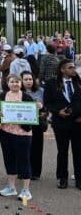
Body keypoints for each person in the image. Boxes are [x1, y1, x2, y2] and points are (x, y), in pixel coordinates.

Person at [45, 57, 81, 189]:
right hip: (60, 123)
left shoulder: (78, 82)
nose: (73, 69)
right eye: (70, 67)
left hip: (78, 122)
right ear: (62, 70)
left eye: (74, 67)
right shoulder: (51, 83)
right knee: (62, 151)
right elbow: (47, 103)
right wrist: (57, 111)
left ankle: (79, 179)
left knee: (78, 151)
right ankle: (62, 178)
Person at [21, 71, 46, 180]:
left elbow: (47, 106)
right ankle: (23, 171)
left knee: (36, 148)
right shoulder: (18, 92)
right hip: (22, 124)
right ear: (21, 81)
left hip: (37, 124)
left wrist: (43, 108)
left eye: (30, 79)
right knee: (23, 149)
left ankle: (35, 172)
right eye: (25, 79)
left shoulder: (40, 91)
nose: (28, 81)